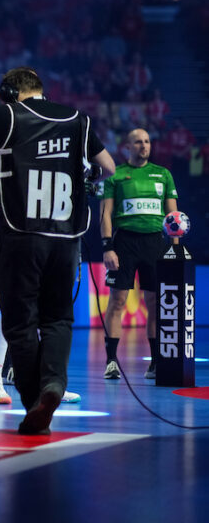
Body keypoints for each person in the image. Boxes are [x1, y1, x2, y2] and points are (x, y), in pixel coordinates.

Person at [0, 67, 114, 435]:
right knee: (58, 319)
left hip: (20, 234)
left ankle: (34, 398)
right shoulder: (78, 120)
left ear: (9, 93)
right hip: (66, 238)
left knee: (20, 323)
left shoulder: (4, 115)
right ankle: (54, 384)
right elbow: (109, 167)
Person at [101, 128, 178, 380]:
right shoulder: (115, 175)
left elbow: (173, 218)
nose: (144, 146)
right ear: (128, 147)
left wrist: (175, 249)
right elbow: (105, 214)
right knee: (117, 301)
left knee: (155, 304)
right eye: (138, 142)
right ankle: (111, 362)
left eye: (146, 141)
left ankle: (155, 363)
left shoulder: (163, 174)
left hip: (155, 244)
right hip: (124, 243)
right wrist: (107, 247)